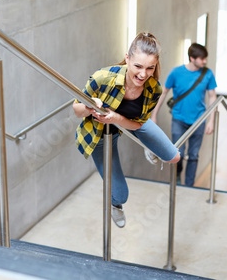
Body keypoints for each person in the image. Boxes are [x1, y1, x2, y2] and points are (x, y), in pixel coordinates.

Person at [73, 32, 181, 228]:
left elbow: (139, 123)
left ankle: (149, 146)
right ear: (127, 58)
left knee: (174, 156)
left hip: (131, 120)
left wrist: (116, 118)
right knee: (121, 194)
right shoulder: (103, 77)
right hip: (101, 133)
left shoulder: (153, 89)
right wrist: (90, 105)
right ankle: (116, 205)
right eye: (138, 66)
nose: (143, 74)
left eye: (150, 68)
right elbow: (76, 110)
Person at [151, 43, 217, 187]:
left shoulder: (208, 74)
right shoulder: (176, 73)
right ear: (192, 58)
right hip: (179, 119)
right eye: (202, 58)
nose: (205, 61)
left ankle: (189, 186)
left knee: (193, 155)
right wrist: (153, 115)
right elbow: (163, 93)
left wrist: (211, 120)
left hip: (199, 121)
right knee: (178, 153)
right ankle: (177, 178)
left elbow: (212, 96)